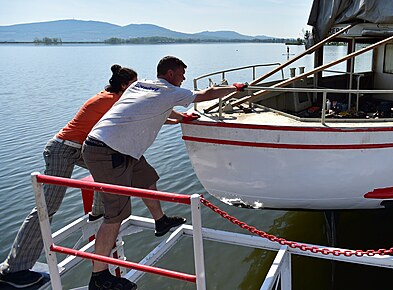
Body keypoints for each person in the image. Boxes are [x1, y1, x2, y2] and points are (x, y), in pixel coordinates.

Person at [82, 56, 246, 290]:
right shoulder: (170, 91)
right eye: (181, 74)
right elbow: (205, 94)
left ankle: (160, 221)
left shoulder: (142, 85)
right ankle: (99, 277)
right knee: (115, 214)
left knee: (147, 177)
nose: (184, 78)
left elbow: (157, 112)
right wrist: (235, 88)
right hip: (109, 152)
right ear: (170, 74)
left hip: (116, 147)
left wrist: (182, 118)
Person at [0, 65, 138, 289]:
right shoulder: (112, 100)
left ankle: (98, 213)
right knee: (47, 207)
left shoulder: (112, 97)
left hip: (80, 148)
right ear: (124, 85)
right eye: (133, 83)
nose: (136, 88)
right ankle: (13, 269)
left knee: (108, 172)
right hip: (62, 149)